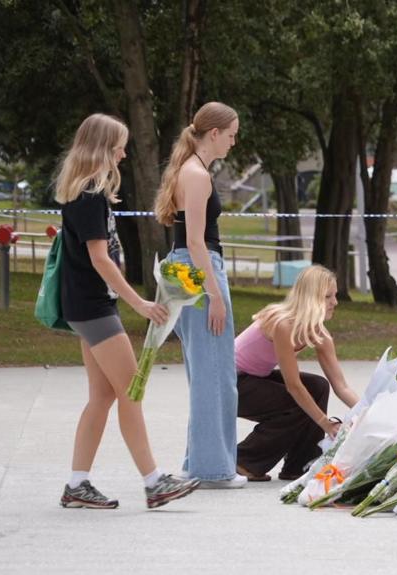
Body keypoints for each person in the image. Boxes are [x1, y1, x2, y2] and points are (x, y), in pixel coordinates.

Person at [56, 113, 199, 509]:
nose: (123, 152)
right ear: (103, 147)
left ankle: (77, 485)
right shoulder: (89, 195)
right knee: (131, 390)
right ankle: (154, 483)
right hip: (92, 305)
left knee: (103, 396)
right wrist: (140, 303)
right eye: (119, 145)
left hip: (87, 304)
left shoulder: (87, 192)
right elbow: (100, 259)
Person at [154, 102, 244, 488]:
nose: (233, 142)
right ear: (214, 133)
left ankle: (200, 462)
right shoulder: (196, 174)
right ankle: (212, 469)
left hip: (190, 269)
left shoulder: (190, 169)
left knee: (206, 371)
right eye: (231, 135)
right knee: (215, 375)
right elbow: (194, 241)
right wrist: (215, 295)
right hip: (199, 270)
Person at [234, 265, 359, 481]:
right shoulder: (282, 324)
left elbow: (342, 387)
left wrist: (369, 414)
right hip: (228, 384)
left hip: (253, 379)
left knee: (318, 387)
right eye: (328, 296)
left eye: (335, 295)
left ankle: (300, 464)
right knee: (296, 401)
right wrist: (325, 423)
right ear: (310, 298)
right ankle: (243, 461)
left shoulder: (320, 334)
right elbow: (293, 386)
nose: (335, 302)